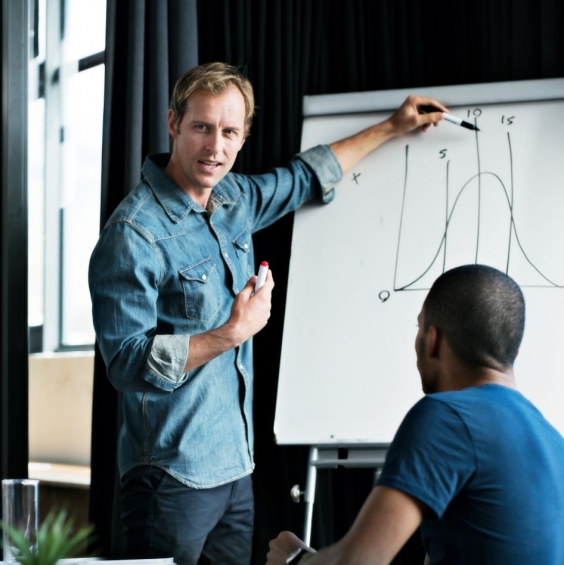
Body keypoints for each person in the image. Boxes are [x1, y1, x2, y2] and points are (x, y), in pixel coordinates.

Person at [88, 61, 448, 564]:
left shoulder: (233, 197)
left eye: (229, 132)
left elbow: (305, 176)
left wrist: (394, 126)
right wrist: (231, 333)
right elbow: (125, 363)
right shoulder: (133, 234)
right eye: (201, 128)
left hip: (237, 471)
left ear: (243, 135)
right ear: (173, 123)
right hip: (169, 480)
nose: (216, 147)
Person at [267, 265, 564, 564]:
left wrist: (294, 559)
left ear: (432, 340)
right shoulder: (560, 448)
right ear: (513, 351)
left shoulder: (449, 417)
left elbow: (361, 560)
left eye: (419, 327)